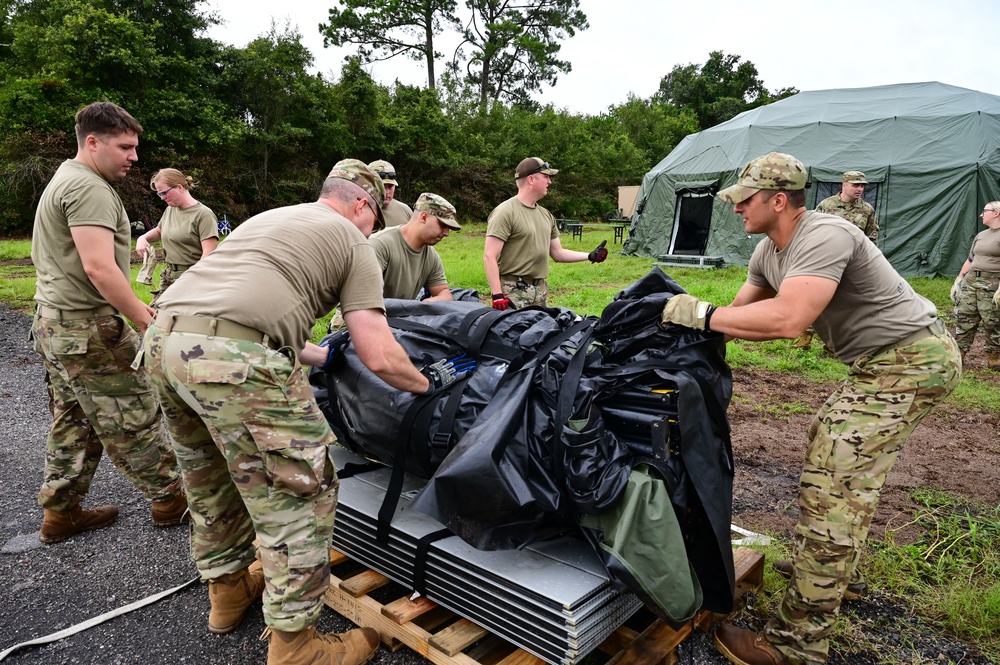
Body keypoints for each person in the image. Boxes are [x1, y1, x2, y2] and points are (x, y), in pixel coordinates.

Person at [140, 159, 473, 664]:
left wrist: (325, 354)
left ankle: (227, 595)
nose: (373, 227)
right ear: (362, 204)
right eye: (374, 216)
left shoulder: (269, 219)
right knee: (300, 494)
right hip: (236, 360)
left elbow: (254, 316)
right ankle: (297, 648)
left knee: (209, 480)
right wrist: (430, 383)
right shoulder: (351, 237)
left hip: (166, 343)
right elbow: (380, 352)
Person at [660, 152, 961, 665]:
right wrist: (680, 336)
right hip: (878, 363)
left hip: (913, 358)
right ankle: (836, 571)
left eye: (745, 199)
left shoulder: (825, 235)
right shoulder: (767, 254)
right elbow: (736, 317)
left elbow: (788, 320)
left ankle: (795, 645)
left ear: (779, 200)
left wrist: (702, 313)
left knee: (833, 482)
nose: (736, 208)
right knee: (827, 439)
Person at [29, 101, 187, 545]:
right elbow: (99, 268)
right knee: (134, 413)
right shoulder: (89, 189)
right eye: (125, 147)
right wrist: (143, 318)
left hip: (54, 324)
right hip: (86, 328)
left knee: (73, 417)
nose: (134, 157)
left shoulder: (66, 177)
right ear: (93, 142)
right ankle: (170, 499)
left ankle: (60, 512)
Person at [484, 157, 608, 309]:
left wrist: (589, 255)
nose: (550, 182)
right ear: (531, 179)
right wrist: (497, 295)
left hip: (540, 290)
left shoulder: (546, 215)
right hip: (512, 292)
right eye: (546, 177)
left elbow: (558, 253)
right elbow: (490, 255)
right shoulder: (505, 212)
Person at [794, 171, 880, 349]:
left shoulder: (867, 210)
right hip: (826, 261)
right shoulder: (826, 205)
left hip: (852, 263)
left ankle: (834, 343)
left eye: (862, 186)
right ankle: (805, 336)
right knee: (816, 298)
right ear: (844, 185)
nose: (860, 189)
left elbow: (871, 238)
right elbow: (812, 230)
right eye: (856, 185)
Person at [135, 168, 219, 295]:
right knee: (158, 314)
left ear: (179, 187)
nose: (162, 198)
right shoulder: (170, 210)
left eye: (164, 193)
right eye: (159, 194)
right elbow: (159, 230)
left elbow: (208, 256)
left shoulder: (204, 215)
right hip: (169, 277)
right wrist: (143, 239)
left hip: (193, 279)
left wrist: (191, 282)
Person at [371, 192, 460, 301]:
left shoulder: (430, 256)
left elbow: (444, 293)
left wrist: (427, 304)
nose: (446, 233)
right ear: (423, 217)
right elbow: (366, 299)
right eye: (442, 225)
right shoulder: (379, 244)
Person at [950, 201, 1000, 369]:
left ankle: (994, 359)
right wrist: (959, 280)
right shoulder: (981, 235)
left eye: (984, 211)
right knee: (964, 317)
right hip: (971, 282)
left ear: (996, 213)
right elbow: (971, 259)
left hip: (992, 284)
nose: (981, 215)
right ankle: (958, 355)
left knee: (992, 321)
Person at [368, 159, 412, 227]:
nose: (386, 192)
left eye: (390, 186)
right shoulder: (358, 211)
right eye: (381, 187)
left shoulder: (405, 211)